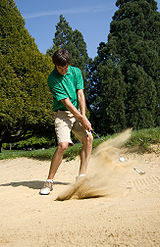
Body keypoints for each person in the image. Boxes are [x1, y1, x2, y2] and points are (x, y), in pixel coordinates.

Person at [40, 49, 93, 195]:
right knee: (63, 145)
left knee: (89, 138)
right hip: (62, 113)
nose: (63, 71)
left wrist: (83, 116)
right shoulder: (52, 79)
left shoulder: (76, 72)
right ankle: (49, 181)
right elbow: (66, 102)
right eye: (60, 68)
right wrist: (81, 118)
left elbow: (80, 94)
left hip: (76, 112)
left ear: (69, 63)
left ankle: (82, 176)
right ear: (55, 66)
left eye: (65, 67)